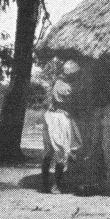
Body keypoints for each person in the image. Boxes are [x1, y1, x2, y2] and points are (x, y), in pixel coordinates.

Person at [41, 60, 83, 194]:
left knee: (53, 151)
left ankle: (46, 183)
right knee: (60, 150)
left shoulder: (60, 83)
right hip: (59, 119)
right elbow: (71, 93)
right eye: (75, 74)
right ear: (70, 74)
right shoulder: (62, 85)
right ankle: (54, 185)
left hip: (55, 117)